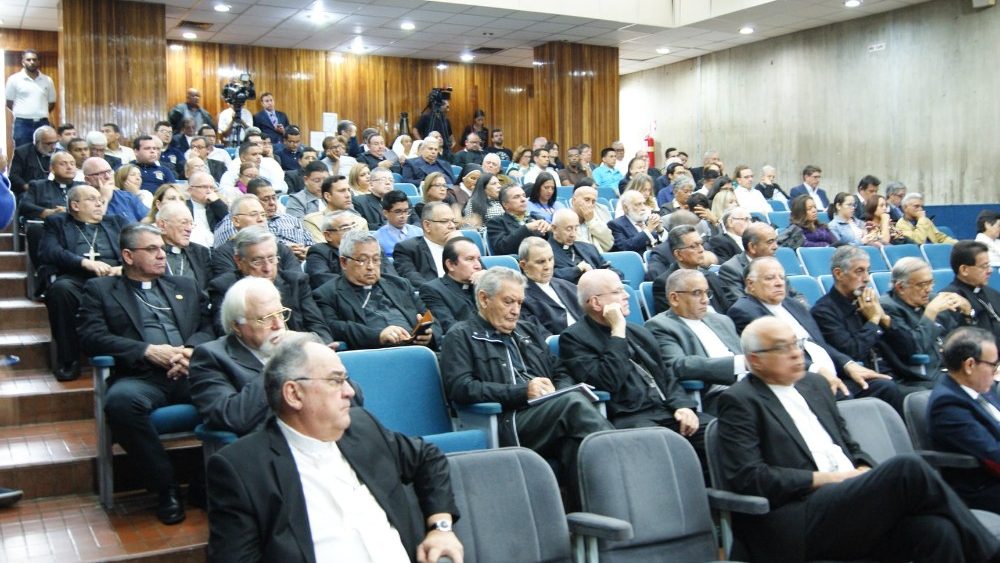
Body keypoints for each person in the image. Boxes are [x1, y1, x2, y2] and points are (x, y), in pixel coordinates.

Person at [716, 316, 1000, 563]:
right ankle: (989, 553)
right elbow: (750, 478)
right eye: (783, 348)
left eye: (796, 343)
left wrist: (863, 470)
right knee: (907, 468)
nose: (796, 353)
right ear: (755, 360)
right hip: (798, 516)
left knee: (937, 531)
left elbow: (848, 446)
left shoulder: (815, 385)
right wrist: (830, 479)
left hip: (847, 502)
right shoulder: (740, 401)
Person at [206, 335, 464, 563]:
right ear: (294, 394)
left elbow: (428, 458)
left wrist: (441, 528)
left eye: (346, 379)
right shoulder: (242, 469)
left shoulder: (363, 427)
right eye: (336, 381)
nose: (350, 391)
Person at [78, 223, 214, 525]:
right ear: (128, 256)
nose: (162, 255)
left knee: (237, 391)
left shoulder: (185, 286)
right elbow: (91, 337)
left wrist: (190, 351)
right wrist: (146, 350)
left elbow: (209, 327)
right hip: (140, 378)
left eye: (162, 248)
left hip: (189, 372)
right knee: (120, 404)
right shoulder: (101, 290)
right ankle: (166, 489)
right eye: (152, 249)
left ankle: (203, 484)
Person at [439, 267, 613, 485]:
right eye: (508, 302)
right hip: (507, 420)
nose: (515, 311)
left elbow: (560, 370)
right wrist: (523, 391)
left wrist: (558, 392)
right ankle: (622, 457)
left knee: (575, 446)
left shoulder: (527, 331)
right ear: (484, 299)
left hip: (550, 413)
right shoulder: (461, 335)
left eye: (520, 303)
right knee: (573, 404)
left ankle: (592, 503)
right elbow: (461, 388)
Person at [559, 269, 711, 467]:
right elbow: (608, 381)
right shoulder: (574, 338)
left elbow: (665, 375)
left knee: (718, 431)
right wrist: (617, 331)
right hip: (630, 416)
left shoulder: (639, 331)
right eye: (618, 291)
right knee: (663, 444)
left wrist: (683, 405)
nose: (627, 295)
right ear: (596, 302)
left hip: (666, 410)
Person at [729, 257, 903, 409]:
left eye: (782, 277)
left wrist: (848, 364)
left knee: (885, 387)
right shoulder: (745, 310)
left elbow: (820, 344)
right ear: (750, 284)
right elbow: (777, 355)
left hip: (832, 375)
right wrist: (818, 370)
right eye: (770, 278)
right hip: (801, 382)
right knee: (845, 398)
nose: (779, 283)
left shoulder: (793, 305)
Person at [38, 185, 129, 381]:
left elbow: (136, 248)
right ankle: (69, 360)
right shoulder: (57, 222)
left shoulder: (116, 222)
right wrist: (84, 262)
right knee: (60, 290)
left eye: (100, 199)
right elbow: (50, 251)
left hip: (114, 278)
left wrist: (123, 268)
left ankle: (129, 360)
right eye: (91, 199)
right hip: (77, 279)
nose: (99, 203)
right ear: (75, 205)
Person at [313, 232, 438, 351]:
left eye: (376, 259)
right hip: (374, 355)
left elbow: (431, 317)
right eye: (362, 260)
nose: (371, 267)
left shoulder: (400, 285)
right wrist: (378, 335)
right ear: (344, 262)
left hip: (417, 350)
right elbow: (334, 327)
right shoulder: (327, 294)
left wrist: (429, 335)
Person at [645, 269, 745, 414]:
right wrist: (738, 364)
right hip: (718, 396)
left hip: (750, 385)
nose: (706, 300)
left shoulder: (722, 320)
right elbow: (679, 365)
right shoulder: (660, 326)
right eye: (697, 293)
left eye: (707, 293)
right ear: (674, 298)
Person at [207, 227, 331, 341]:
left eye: (272, 259)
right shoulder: (224, 288)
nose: (267, 268)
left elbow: (321, 332)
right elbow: (227, 337)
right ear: (239, 261)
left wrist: (296, 342)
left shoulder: (296, 282)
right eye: (257, 261)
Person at [928, 326, 1000, 513]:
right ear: (969, 365)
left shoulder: (983, 389)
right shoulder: (947, 405)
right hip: (983, 490)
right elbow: (992, 453)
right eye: (993, 365)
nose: (995, 372)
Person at [650, 225, 732, 315]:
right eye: (693, 246)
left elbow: (728, 309)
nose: (701, 250)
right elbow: (673, 320)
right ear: (678, 254)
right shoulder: (665, 283)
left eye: (701, 244)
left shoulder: (711, 276)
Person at [210, 194, 298, 278]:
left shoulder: (283, 250)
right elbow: (228, 284)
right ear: (236, 221)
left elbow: (298, 280)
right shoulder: (223, 254)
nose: (261, 219)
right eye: (254, 214)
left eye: (263, 215)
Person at [518, 237, 583, 336]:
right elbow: (541, 336)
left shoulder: (567, 285)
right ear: (524, 265)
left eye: (550, 259)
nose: (548, 266)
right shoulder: (520, 298)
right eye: (541, 262)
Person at [940, 240, 1000, 347]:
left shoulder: (992, 293)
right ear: (964, 270)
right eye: (984, 266)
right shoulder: (950, 299)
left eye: (989, 265)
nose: (990, 270)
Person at [419, 237, 483, 335]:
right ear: (450, 265)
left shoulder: (483, 285)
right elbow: (450, 327)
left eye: (479, 259)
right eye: (470, 259)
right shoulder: (433, 290)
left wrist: (489, 284)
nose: (478, 266)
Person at [393, 202, 458, 287]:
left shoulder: (462, 247)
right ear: (427, 225)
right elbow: (413, 280)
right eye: (444, 221)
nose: (452, 226)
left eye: (453, 221)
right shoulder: (407, 249)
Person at [717, 221, 779, 305]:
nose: (776, 247)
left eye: (775, 241)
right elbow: (742, 305)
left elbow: (793, 295)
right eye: (770, 242)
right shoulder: (731, 269)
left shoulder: (774, 264)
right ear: (752, 247)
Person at [5, 49, 56, 149]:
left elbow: (51, 102)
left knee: (44, 152)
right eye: (28, 59)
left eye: (34, 59)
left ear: (38, 62)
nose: (32, 62)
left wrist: (39, 113)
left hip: (42, 122)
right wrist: (24, 113)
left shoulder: (47, 80)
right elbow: (9, 102)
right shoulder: (14, 79)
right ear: (23, 62)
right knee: (22, 152)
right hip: (22, 123)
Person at [548, 209, 614, 283]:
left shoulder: (589, 248)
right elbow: (549, 275)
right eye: (569, 229)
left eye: (576, 228)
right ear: (554, 228)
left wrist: (603, 274)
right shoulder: (545, 251)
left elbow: (615, 271)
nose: (573, 234)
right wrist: (577, 269)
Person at [154, 202, 212, 288]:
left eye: (191, 224)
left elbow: (208, 289)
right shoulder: (149, 253)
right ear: (162, 225)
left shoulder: (200, 252)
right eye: (183, 222)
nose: (189, 229)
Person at [486, 184, 551, 256]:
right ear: (505, 204)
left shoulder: (537, 218)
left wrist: (549, 231)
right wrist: (526, 228)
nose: (523, 199)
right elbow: (502, 248)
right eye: (516, 197)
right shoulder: (496, 222)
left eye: (524, 196)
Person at [18, 151, 84, 221]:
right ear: (52, 168)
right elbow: (24, 205)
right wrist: (50, 212)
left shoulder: (84, 187)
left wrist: (69, 211)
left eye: (72, 164)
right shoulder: (39, 186)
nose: (69, 167)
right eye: (63, 164)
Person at [81, 156, 147, 223]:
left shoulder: (127, 197)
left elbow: (148, 218)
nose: (108, 176)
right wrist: (105, 198)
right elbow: (94, 225)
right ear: (88, 180)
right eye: (101, 173)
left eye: (109, 171)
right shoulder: (83, 202)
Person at [7, 125, 57, 197]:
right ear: (36, 142)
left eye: (55, 143)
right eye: (49, 144)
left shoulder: (59, 153)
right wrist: (28, 188)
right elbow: (13, 176)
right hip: (29, 192)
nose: (53, 147)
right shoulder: (22, 153)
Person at [569, 182, 613, 252]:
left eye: (593, 202)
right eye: (587, 200)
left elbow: (609, 245)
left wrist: (591, 221)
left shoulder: (595, 220)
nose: (590, 204)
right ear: (574, 201)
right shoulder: (564, 220)